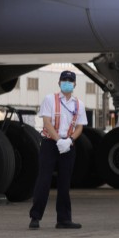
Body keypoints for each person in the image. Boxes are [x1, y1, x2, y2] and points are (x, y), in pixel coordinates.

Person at [29, 70, 84, 229]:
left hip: (69, 145)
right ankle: (35, 217)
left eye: (70, 80)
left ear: (74, 84)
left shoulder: (78, 104)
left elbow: (79, 126)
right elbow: (46, 122)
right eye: (64, 80)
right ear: (59, 83)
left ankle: (64, 219)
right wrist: (58, 140)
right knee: (44, 180)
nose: (67, 82)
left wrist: (70, 140)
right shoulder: (50, 99)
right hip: (50, 144)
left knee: (65, 183)